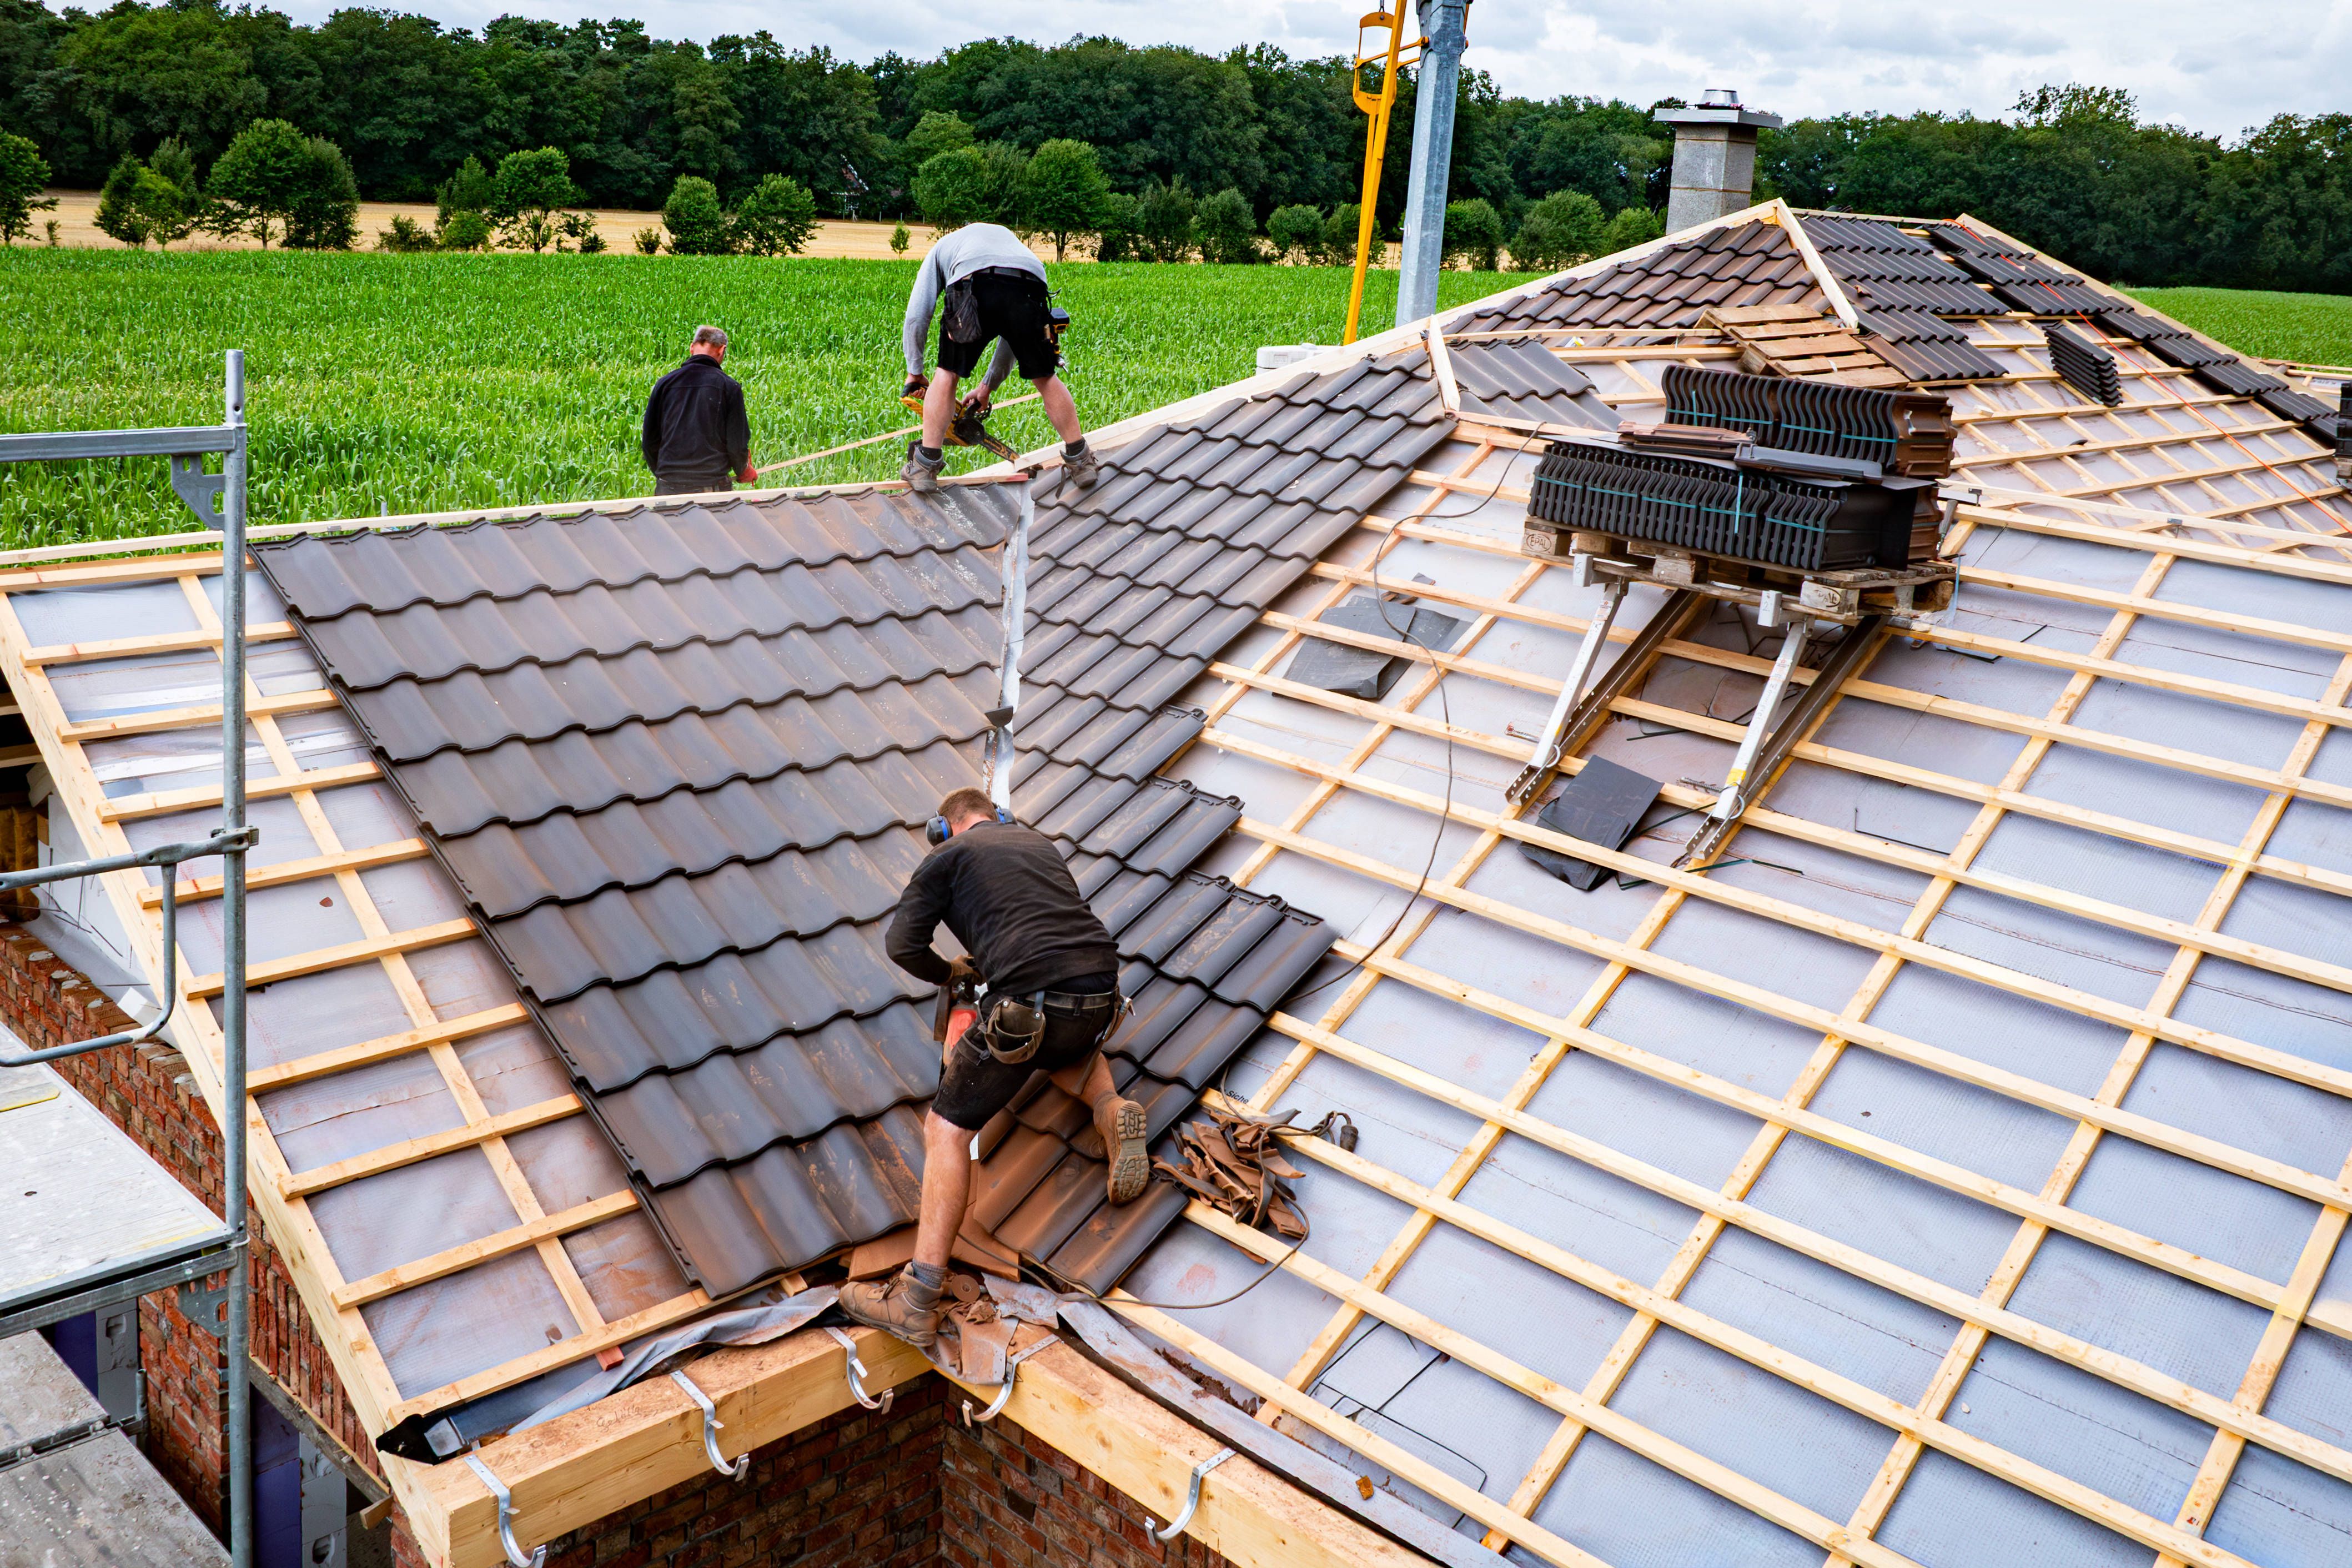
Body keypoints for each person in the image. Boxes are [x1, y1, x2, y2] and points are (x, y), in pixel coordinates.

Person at [837, 787, 1145, 1346]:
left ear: (945, 828)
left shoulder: (946, 857)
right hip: (1102, 997)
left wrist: (947, 969)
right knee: (1066, 1040)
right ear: (998, 816)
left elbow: (902, 944)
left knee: (947, 1130)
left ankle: (916, 1297)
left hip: (1031, 1002)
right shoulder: (1039, 843)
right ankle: (1110, 1107)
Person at [899, 222, 1100, 494]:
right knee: (1045, 377)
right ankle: (1081, 460)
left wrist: (915, 371)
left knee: (948, 373)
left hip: (972, 282)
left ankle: (925, 466)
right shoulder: (1013, 248)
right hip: (1030, 283)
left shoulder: (942, 249)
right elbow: (1012, 337)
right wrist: (986, 388)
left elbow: (917, 315)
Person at [641, 325, 756, 495]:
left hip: (668, 490)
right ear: (722, 350)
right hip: (710, 491)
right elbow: (736, 445)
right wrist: (744, 470)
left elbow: (649, 441)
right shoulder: (729, 387)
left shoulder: (664, 384)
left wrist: (668, 476)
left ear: (692, 348)